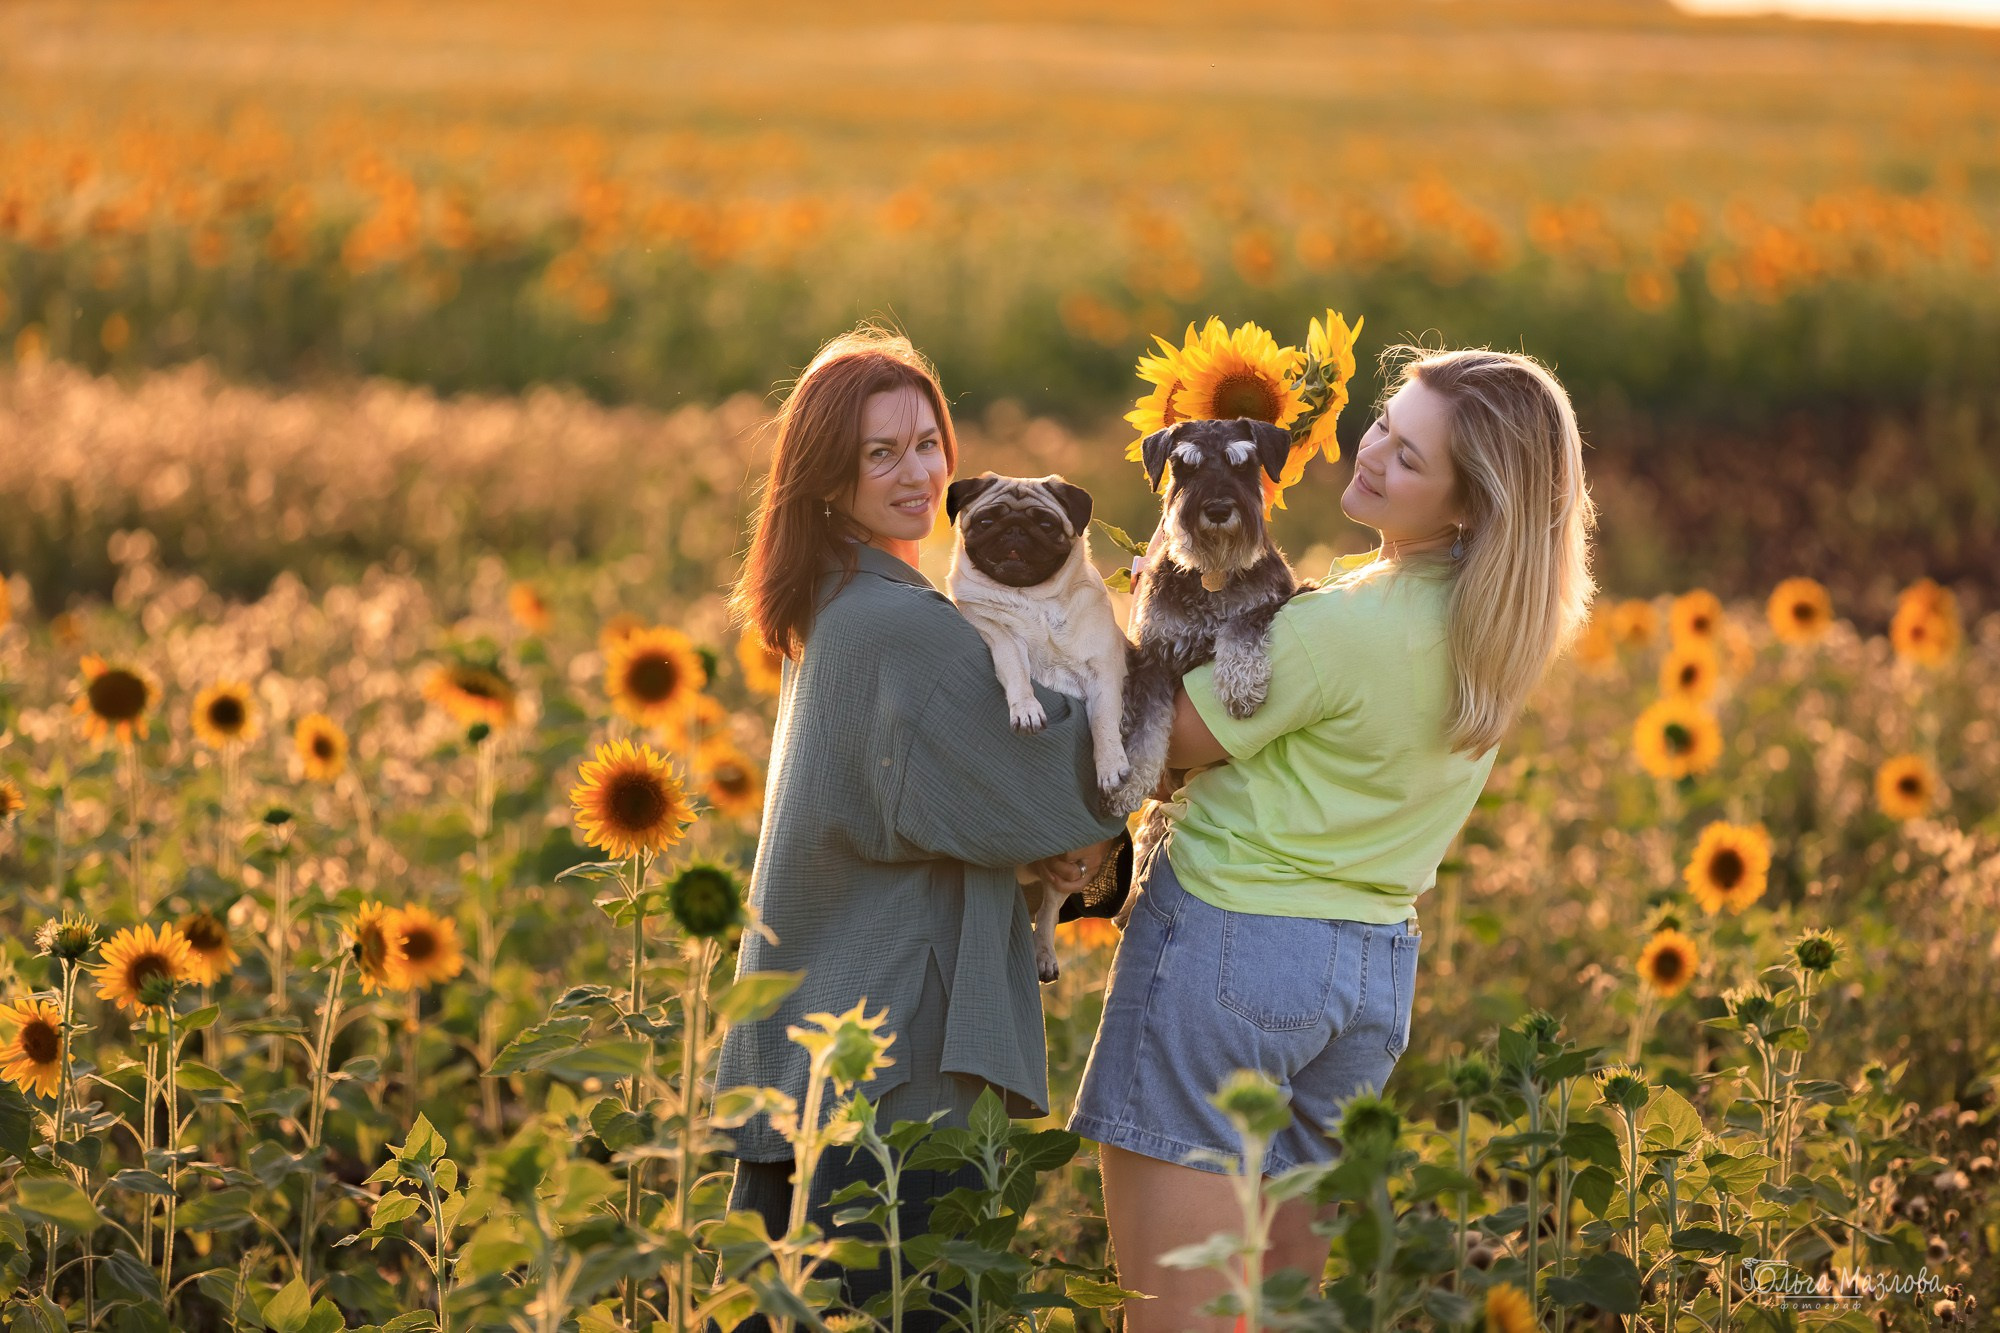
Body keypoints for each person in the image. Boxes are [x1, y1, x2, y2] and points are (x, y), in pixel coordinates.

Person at [1068, 345, 1599, 1329]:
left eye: (1408, 459)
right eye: (1383, 425)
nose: (1369, 455)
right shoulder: (1492, 627)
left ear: (1468, 506)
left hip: (1229, 953)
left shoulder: (1330, 631)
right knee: (1279, 1305)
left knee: (1175, 1305)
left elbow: (1161, 748)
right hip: (1367, 978)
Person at [719, 324, 1132, 1326]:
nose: (917, 473)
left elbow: (957, 806)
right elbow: (1065, 777)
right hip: (891, 1076)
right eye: (879, 453)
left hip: (810, 1062)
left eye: (927, 443)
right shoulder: (904, 628)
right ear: (827, 481)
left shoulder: (839, 603)